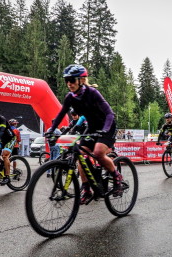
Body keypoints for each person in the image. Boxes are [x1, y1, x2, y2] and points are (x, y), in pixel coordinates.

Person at [46, 64, 122, 204]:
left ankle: (117, 177)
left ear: (81, 80)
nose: (69, 83)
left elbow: (110, 114)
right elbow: (61, 114)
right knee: (81, 154)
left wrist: (104, 130)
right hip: (92, 127)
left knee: (98, 152)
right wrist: (52, 129)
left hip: (107, 125)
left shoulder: (92, 93)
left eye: (72, 80)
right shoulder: (70, 97)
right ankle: (86, 188)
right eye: (66, 80)